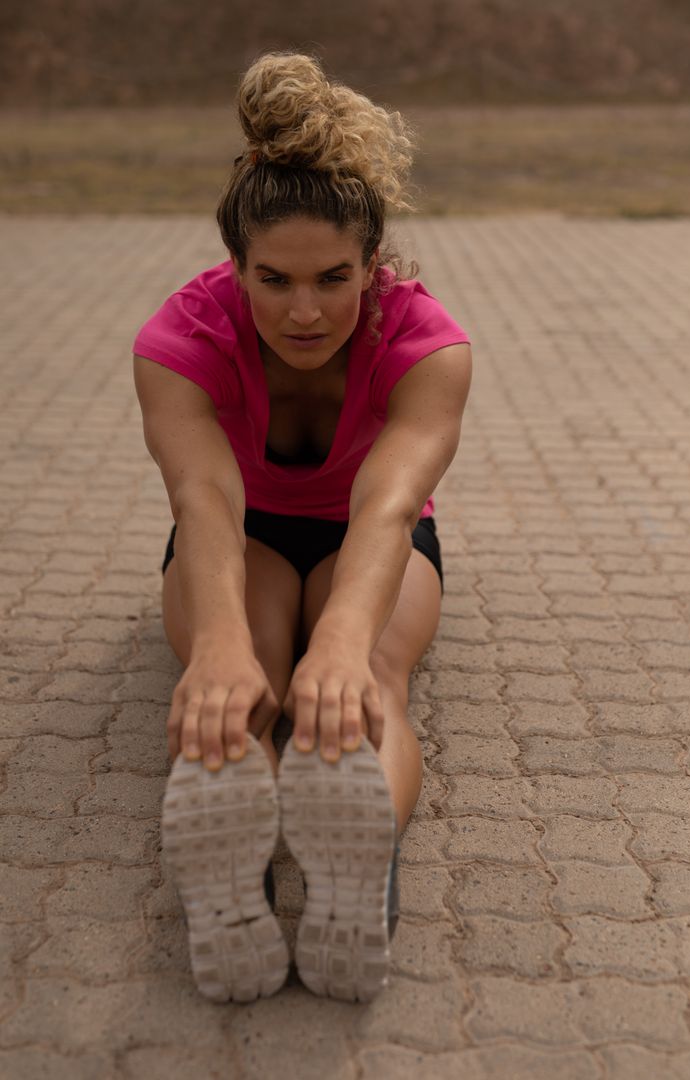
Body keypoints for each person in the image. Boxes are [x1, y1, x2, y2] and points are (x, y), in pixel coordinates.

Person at [132, 51, 471, 1006]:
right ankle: (233, 864)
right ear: (233, 266)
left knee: (364, 686)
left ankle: (351, 871)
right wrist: (222, 648)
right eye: (273, 280)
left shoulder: (426, 343)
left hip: (371, 538)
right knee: (244, 685)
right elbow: (203, 497)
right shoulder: (180, 338)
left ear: (375, 264)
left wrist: (346, 644)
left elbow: (390, 506)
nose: (306, 310)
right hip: (239, 532)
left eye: (334, 277)